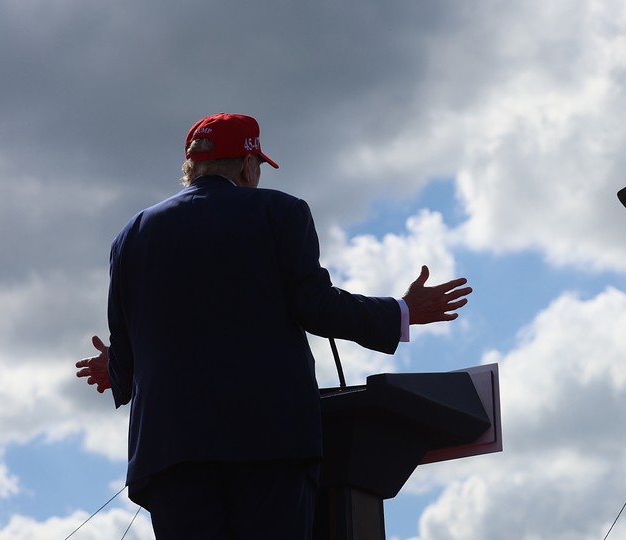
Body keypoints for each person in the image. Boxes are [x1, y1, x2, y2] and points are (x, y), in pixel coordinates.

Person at [75, 112, 472, 539]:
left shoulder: (130, 235)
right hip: (269, 446)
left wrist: (117, 367)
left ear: (191, 168)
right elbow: (316, 307)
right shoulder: (280, 212)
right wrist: (402, 311)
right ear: (248, 166)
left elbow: (126, 342)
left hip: (170, 456)